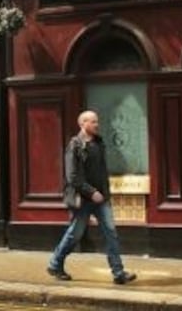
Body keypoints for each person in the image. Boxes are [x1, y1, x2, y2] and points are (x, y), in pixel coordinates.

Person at [47, 110, 137, 285]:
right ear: (82, 124)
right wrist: (91, 192)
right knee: (75, 234)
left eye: (97, 121)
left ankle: (118, 272)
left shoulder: (98, 142)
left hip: (101, 198)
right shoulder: (75, 145)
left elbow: (101, 172)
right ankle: (55, 264)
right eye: (93, 122)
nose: (97, 124)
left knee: (111, 233)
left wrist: (104, 194)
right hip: (83, 199)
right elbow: (72, 176)